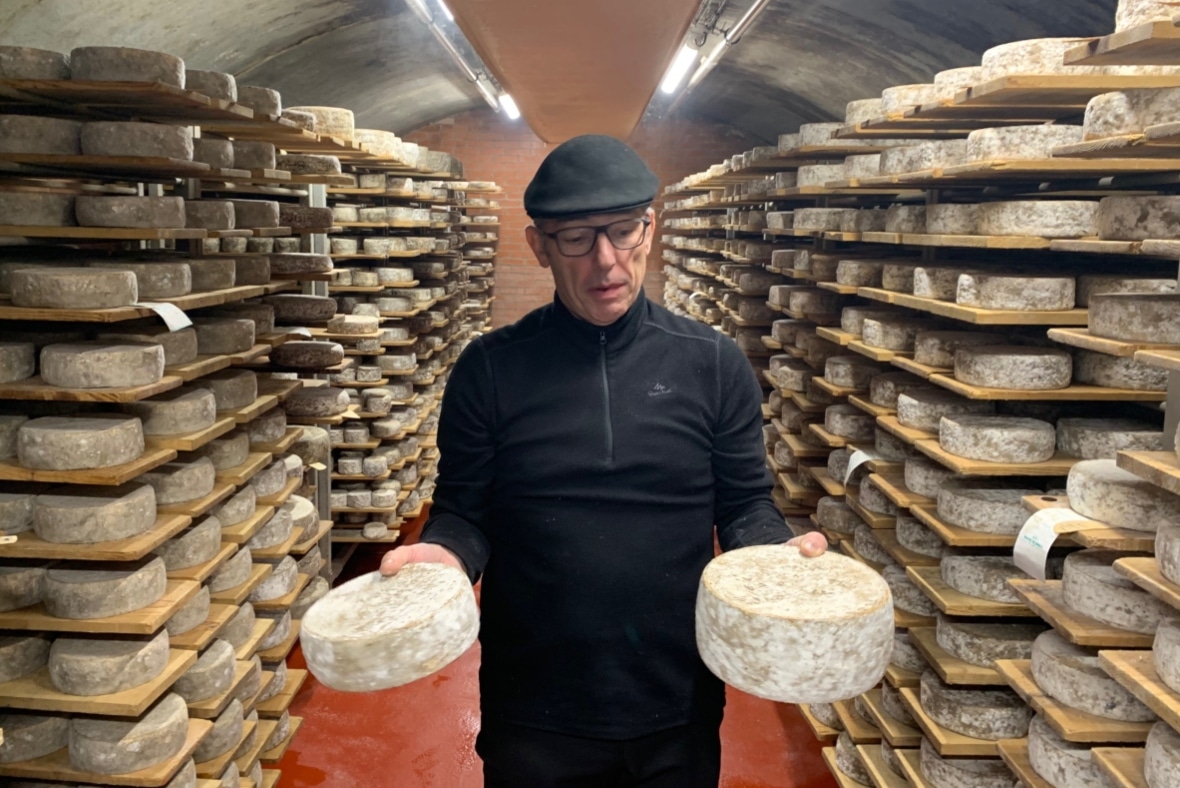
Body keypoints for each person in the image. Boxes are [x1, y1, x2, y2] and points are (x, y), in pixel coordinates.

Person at [381, 134, 828, 787]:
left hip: (675, 698)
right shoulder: (490, 370)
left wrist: (773, 554)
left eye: (624, 231)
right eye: (578, 238)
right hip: (534, 708)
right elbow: (463, 512)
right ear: (538, 246)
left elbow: (744, 505)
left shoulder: (711, 363)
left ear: (651, 227)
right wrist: (444, 554)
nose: (606, 261)